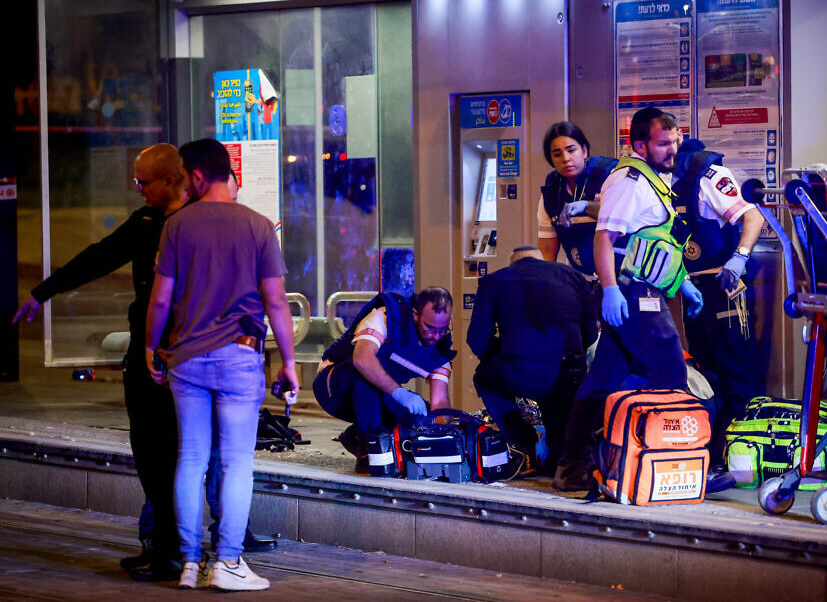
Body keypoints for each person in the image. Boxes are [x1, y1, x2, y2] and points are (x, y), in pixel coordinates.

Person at [12, 144, 187, 581]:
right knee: (149, 447)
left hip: (184, 353)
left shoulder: (194, 224)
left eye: (143, 181)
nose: (138, 188)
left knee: (181, 450)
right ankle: (163, 543)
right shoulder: (146, 222)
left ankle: (188, 548)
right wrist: (44, 292)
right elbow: (100, 256)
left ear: (169, 179)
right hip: (147, 351)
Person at [146, 138, 298, 591]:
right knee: (235, 463)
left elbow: (160, 299)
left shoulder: (176, 226)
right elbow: (276, 301)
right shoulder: (257, 226)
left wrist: (151, 347)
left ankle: (190, 564)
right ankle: (228, 561)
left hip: (186, 359)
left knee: (191, 459)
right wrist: (289, 361)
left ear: (195, 176)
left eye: (184, 178)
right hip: (239, 357)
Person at [552, 107, 705, 492]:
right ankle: (671, 465)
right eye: (663, 143)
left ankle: (572, 468)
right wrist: (610, 290)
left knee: (602, 381)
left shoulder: (652, 179)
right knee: (672, 374)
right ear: (639, 145)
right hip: (635, 297)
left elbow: (653, 242)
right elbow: (604, 238)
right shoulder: (630, 181)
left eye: (675, 141)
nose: (673, 149)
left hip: (642, 292)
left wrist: (683, 282)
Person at [673, 138, 766, 483]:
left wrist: (739, 258)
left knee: (738, 373)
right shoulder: (659, 178)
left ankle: (745, 458)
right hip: (689, 286)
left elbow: (752, 216)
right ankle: (714, 456)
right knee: (703, 374)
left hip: (725, 283)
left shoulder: (708, 174)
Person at [468, 246, 598, 475]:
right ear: (541, 260)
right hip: (567, 369)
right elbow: (590, 333)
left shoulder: (495, 280)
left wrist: (500, 353)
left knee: (484, 379)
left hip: (519, 368)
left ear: (513, 262)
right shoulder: (575, 278)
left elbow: (477, 340)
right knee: (559, 413)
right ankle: (558, 462)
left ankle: (523, 446)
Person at [312, 287, 456, 473]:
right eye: (430, 328)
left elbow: (440, 401)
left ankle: (355, 436)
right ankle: (369, 449)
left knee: (419, 418)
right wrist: (399, 393)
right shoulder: (386, 317)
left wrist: (439, 433)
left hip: (377, 393)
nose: (435, 336)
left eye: (442, 330)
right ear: (415, 315)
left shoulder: (440, 351)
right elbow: (362, 360)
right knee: (368, 382)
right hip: (333, 386)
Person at [537, 121, 618, 276]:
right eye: (557, 154)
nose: (566, 158)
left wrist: (586, 207)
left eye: (571, 150)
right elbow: (547, 250)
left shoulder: (611, 177)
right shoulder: (551, 195)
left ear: (584, 151)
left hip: (624, 278)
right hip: (584, 279)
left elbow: (619, 213)